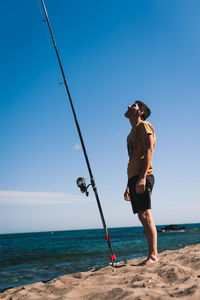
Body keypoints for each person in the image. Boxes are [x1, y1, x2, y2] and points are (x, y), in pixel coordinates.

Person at [124, 100, 158, 265]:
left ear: (140, 112)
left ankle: (153, 256)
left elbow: (149, 150)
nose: (129, 107)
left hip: (143, 175)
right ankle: (152, 253)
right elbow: (132, 159)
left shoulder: (144, 126)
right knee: (141, 216)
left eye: (134, 106)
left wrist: (143, 177)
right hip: (133, 177)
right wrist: (128, 186)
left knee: (146, 214)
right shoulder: (130, 134)